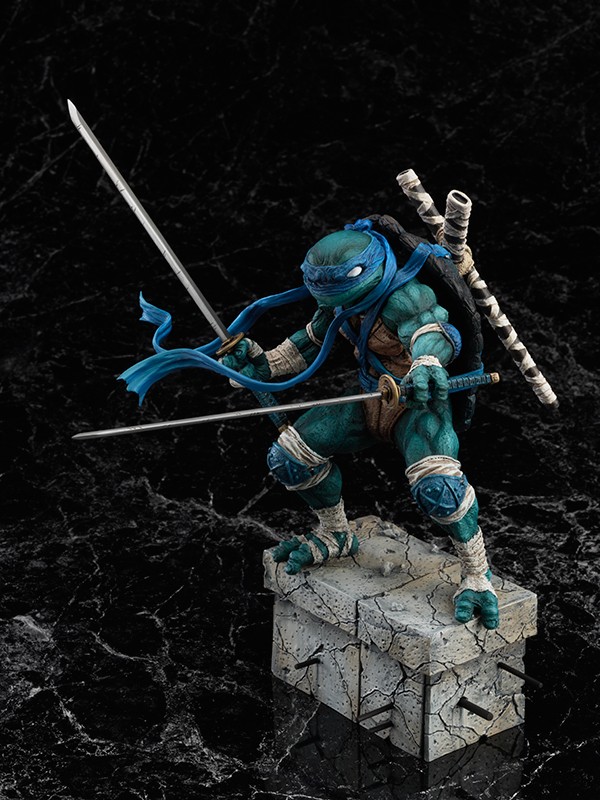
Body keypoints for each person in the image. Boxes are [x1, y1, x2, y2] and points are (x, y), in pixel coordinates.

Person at [221, 218, 499, 630]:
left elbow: (433, 331)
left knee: (439, 488)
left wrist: (425, 362)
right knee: (290, 457)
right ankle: (335, 534)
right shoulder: (339, 301)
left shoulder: (404, 295)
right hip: (371, 399)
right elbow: (305, 345)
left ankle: (477, 574)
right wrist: (259, 365)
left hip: (418, 403)